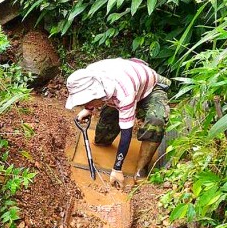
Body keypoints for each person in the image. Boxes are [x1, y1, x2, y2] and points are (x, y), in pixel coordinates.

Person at [65, 57, 171, 188]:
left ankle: (141, 170)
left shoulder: (123, 93)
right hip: (126, 85)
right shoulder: (89, 74)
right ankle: (104, 138)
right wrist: (88, 109)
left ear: (99, 94)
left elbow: (126, 132)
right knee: (101, 140)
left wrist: (117, 169)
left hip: (150, 88)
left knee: (156, 120)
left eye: (87, 102)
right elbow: (91, 95)